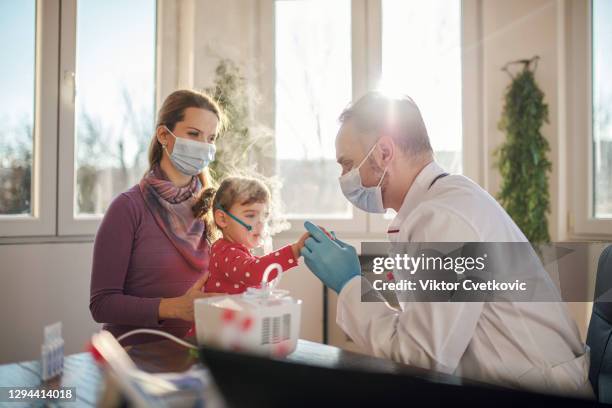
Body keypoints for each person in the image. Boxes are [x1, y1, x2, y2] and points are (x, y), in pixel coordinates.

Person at [300, 91, 593, 398]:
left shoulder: (444, 217)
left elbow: (421, 360)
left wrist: (351, 286)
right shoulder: (442, 201)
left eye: (347, 165)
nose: (345, 178)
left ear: (384, 152)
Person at [89, 90, 224, 344]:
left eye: (211, 138)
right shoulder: (127, 208)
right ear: (164, 135)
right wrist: (174, 308)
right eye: (194, 134)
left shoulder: (213, 208)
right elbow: (102, 304)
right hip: (134, 358)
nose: (203, 146)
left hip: (196, 354)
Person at [192, 176, 309, 294]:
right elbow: (253, 272)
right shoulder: (225, 252)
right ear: (222, 219)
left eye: (265, 215)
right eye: (250, 215)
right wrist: (294, 251)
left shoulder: (239, 253)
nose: (261, 223)